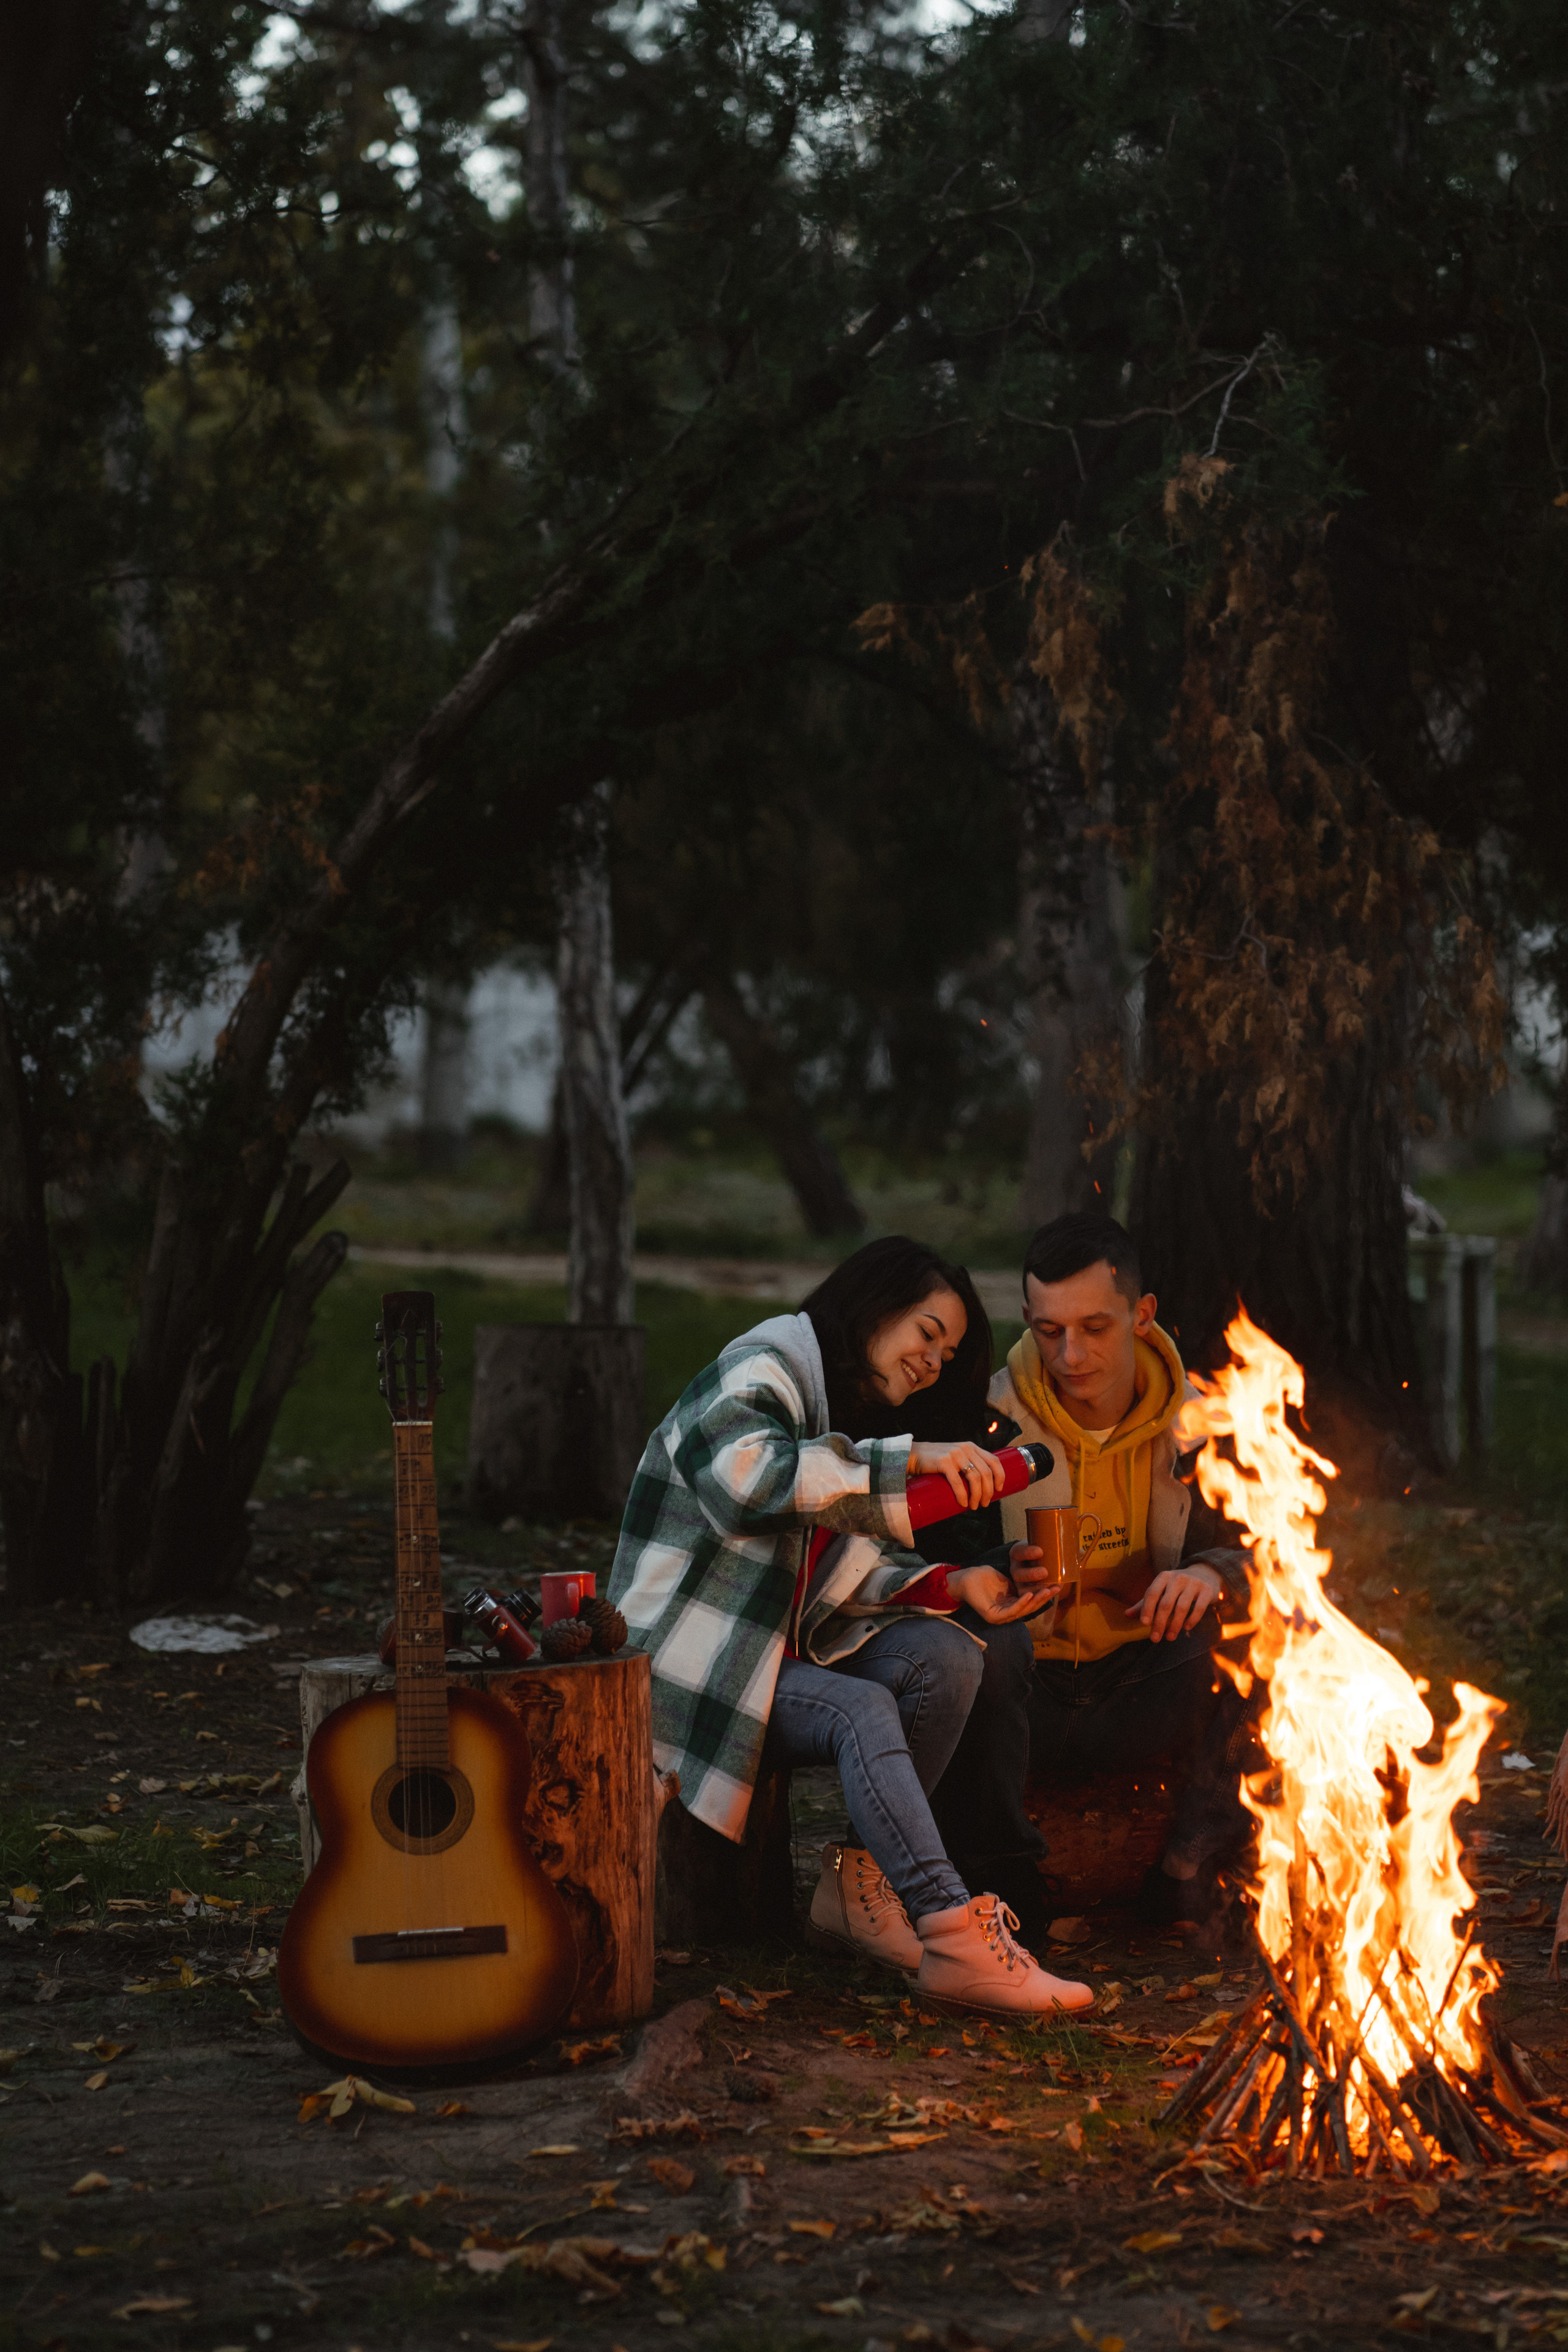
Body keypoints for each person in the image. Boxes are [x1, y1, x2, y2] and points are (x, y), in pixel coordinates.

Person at [608, 1235, 1095, 2018]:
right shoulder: (758, 1368)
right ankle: (954, 1935)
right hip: (691, 1665)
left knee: (950, 1653)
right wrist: (906, 1462)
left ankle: (857, 1889)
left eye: (949, 1352)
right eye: (926, 1334)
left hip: (771, 1653)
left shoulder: (832, 1409)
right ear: (871, 1308)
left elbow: (837, 1568)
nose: (933, 1362)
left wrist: (955, 1581)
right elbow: (749, 1485)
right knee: (858, 1708)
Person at [925, 1211, 1253, 1947]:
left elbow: (1278, 1553)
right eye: (1048, 1331)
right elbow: (925, 1567)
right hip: (1021, 1698)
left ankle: (1186, 1864)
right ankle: (1003, 1880)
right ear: (1027, 1320)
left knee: (1270, 1635)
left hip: (1138, 1683)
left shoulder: (1204, 1424)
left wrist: (1209, 1571)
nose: (1070, 1354)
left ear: (1142, 1316)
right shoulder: (984, 1422)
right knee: (978, 1649)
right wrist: (990, 1571)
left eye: (1095, 1328)